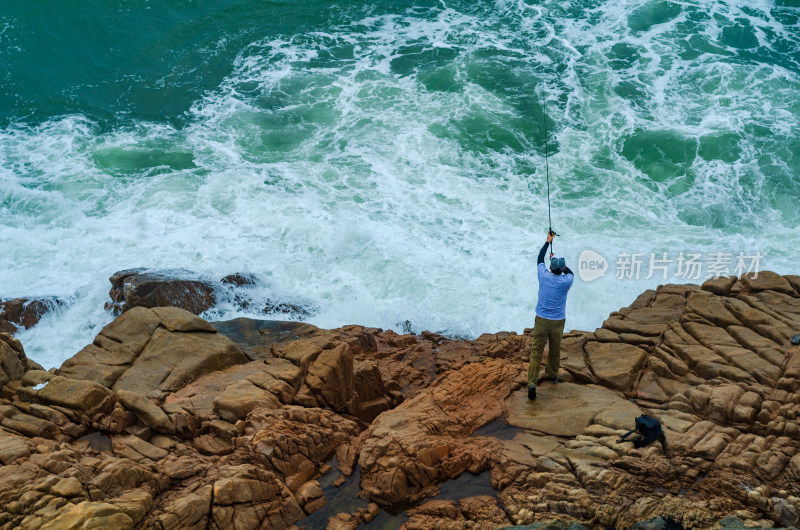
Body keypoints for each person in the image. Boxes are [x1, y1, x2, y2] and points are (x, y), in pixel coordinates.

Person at [528, 230, 574, 399]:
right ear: (561, 269)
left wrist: (548, 242)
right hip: (557, 323)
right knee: (555, 351)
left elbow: (539, 259)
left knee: (536, 353)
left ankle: (532, 383)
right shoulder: (566, 281)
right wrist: (559, 263)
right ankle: (553, 375)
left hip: (541, 321)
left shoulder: (543, 276)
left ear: (550, 268)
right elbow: (571, 272)